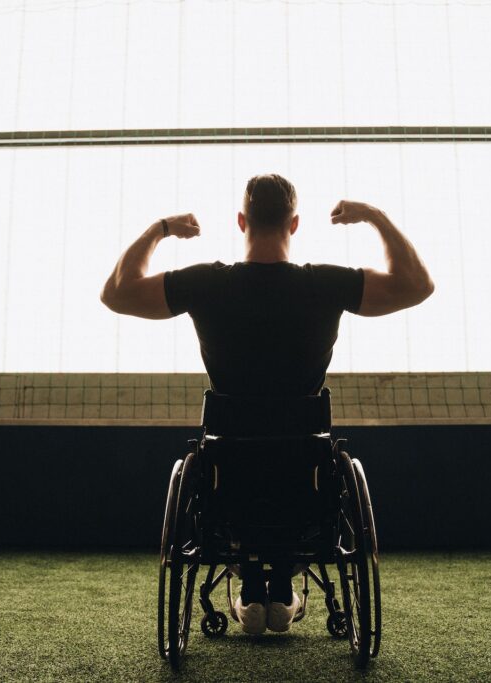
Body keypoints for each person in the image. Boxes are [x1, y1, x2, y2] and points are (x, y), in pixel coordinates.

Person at [100, 173, 434, 635]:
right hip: (305, 481)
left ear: (242, 221)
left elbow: (116, 292)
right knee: (295, 469)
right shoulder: (326, 284)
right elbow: (416, 285)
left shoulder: (206, 283)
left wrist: (161, 228)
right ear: (293, 224)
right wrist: (373, 217)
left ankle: (254, 584)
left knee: (237, 472)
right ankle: (278, 585)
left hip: (227, 481)